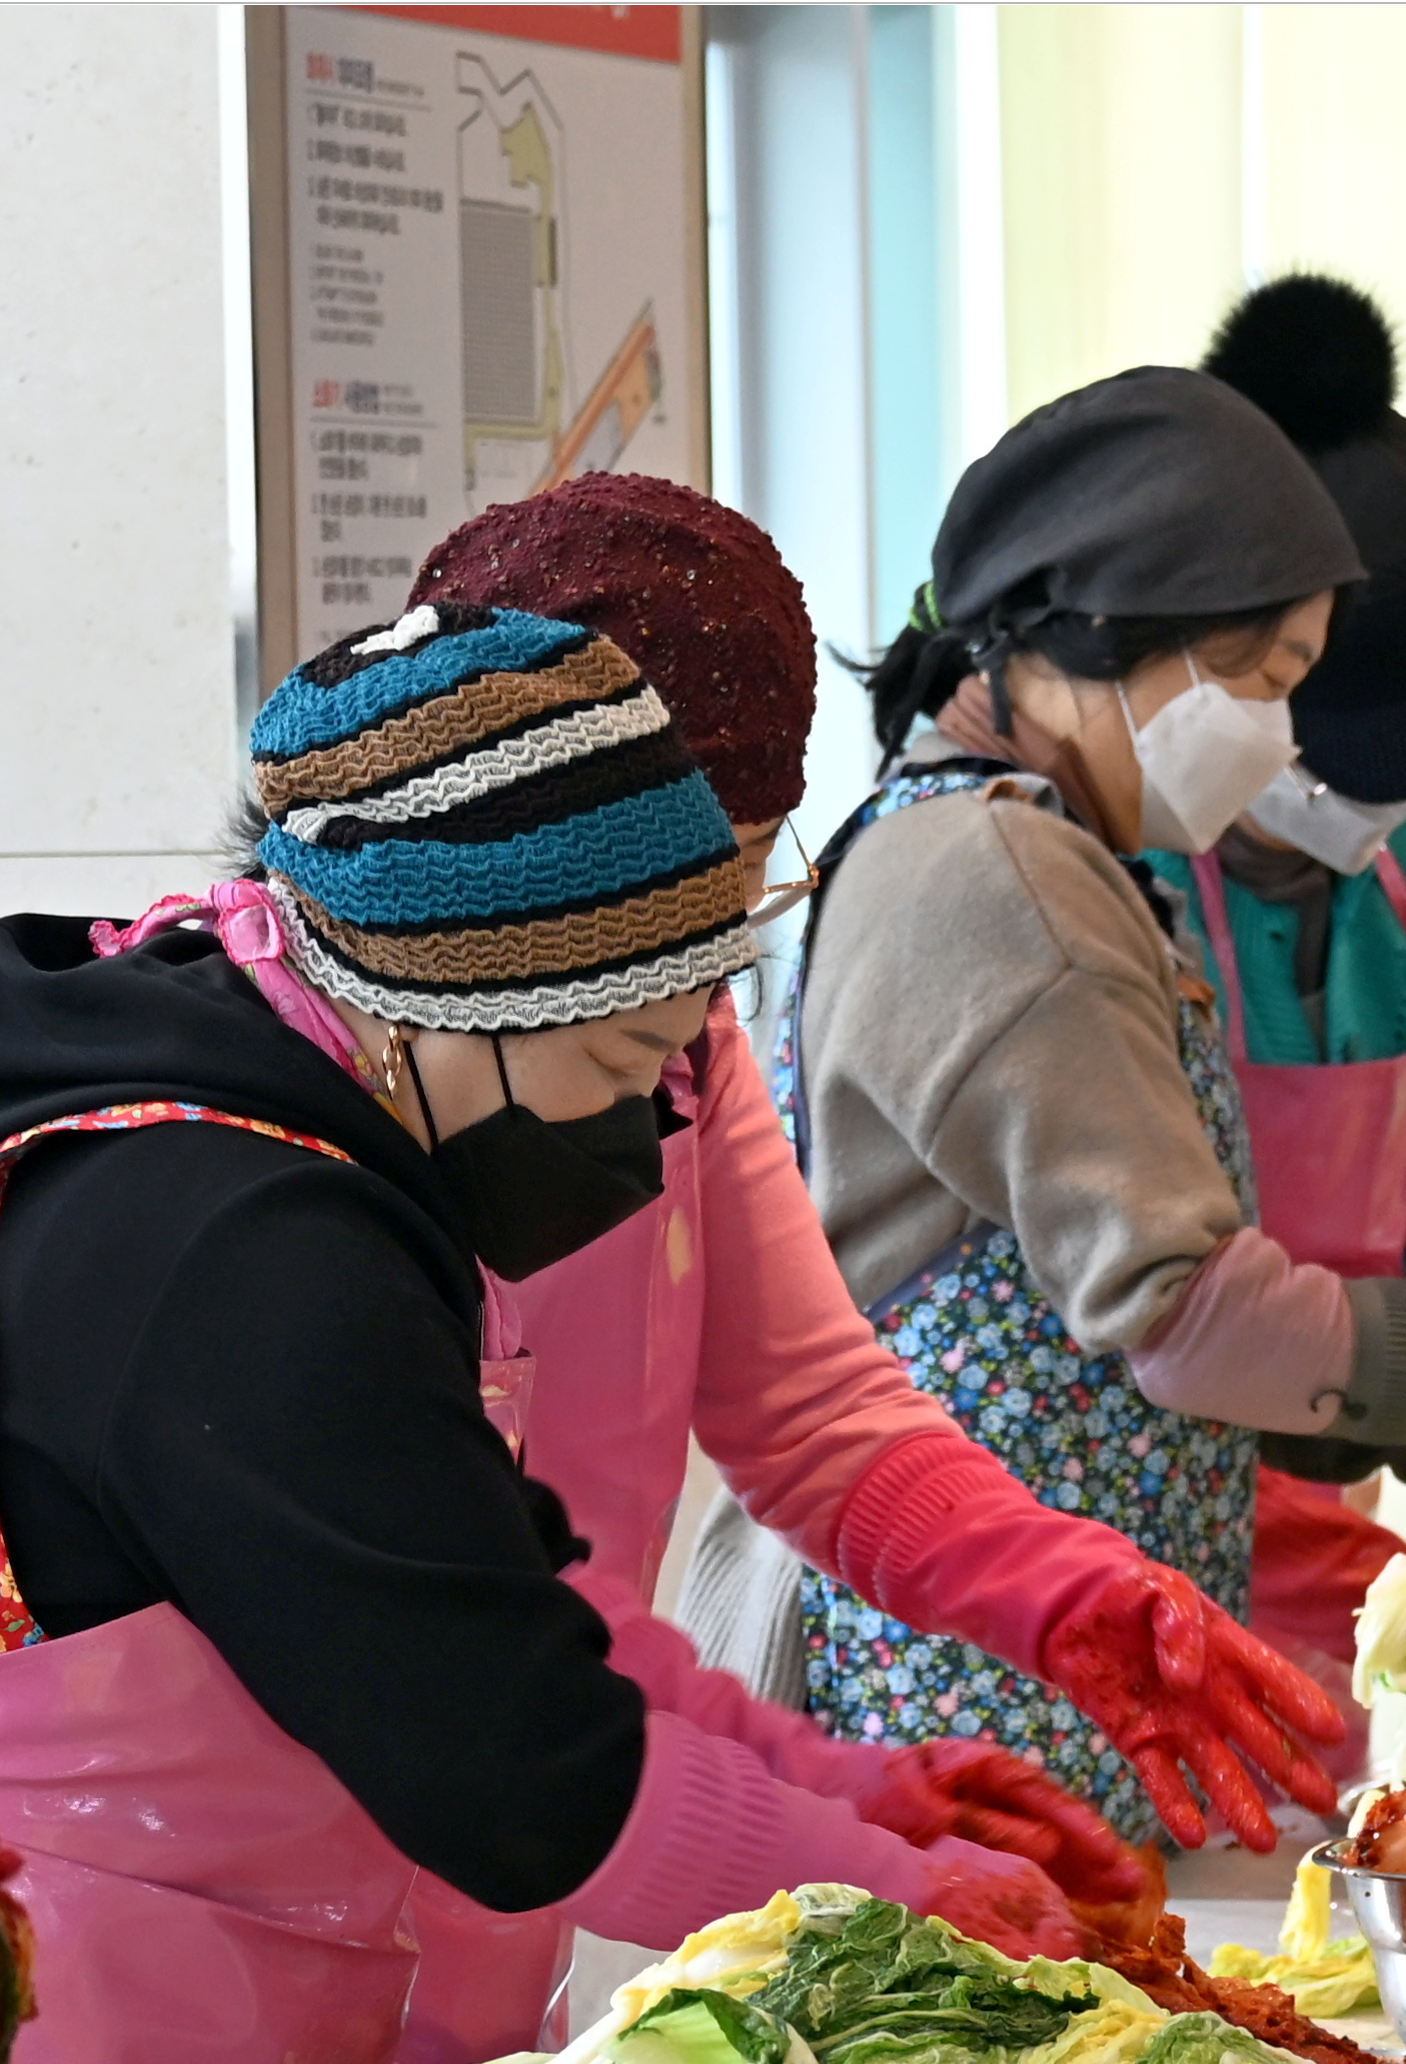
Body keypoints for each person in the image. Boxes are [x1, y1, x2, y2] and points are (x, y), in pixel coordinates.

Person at [0, 609, 1111, 2064]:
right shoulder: (234, 1242)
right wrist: (904, 1894)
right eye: (619, 1066)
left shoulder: (298, 1146)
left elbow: (492, 1605)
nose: (643, 1131)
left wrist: (838, 1788)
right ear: (462, 997)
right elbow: (518, 1766)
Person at [694, 367, 1406, 1841]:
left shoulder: (1029, 851)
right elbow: (1194, 1321)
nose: (1276, 740)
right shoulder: (1001, 875)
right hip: (965, 1691)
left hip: (1058, 1682)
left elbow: (1118, 1339)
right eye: (1261, 681)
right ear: (1097, 633)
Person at [386, 471, 1342, 1881]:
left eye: (736, 891)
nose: (696, 979)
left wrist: (1061, 1594)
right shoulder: (248, 1172)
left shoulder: (677, 1042)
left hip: (557, 1815)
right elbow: (452, 1668)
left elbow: (809, 1406)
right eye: (645, 921)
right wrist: (845, 1821)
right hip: (256, 1906)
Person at [1155, 274, 1406, 1761]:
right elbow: (1119, 1318)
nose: (1369, 810)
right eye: (1338, 764)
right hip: (1112, 1565)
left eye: (1405, 772)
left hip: (1336, 1547)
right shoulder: (1100, 885)